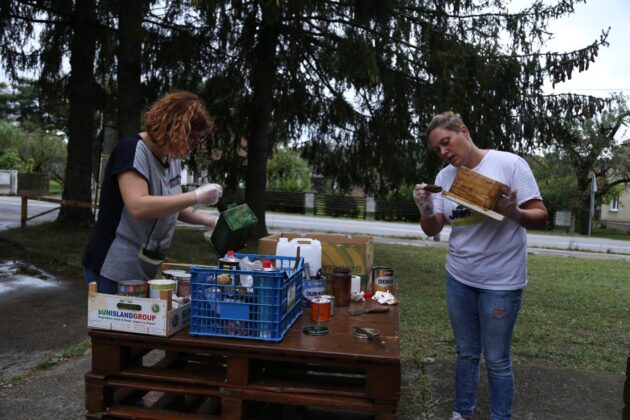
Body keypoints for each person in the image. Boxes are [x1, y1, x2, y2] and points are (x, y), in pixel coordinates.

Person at [413, 111, 548, 420]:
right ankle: (462, 412)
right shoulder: (445, 178)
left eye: (446, 142)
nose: (444, 152)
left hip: (501, 282)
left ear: (464, 131)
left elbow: (540, 215)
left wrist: (514, 212)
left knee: (497, 359)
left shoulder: (509, 164)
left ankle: (500, 416)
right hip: (459, 277)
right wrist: (426, 208)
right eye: (437, 149)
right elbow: (433, 228)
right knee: (466, 353)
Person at [83, 91, 223, 294]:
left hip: (143, 268)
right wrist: (196, 196)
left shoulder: (171, 157)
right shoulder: (131, 150)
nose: (193, 147)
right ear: (175, 130)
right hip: (112, 268)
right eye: (193, 139)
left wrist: (210, 220)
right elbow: (139, 206)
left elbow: (172, 205)